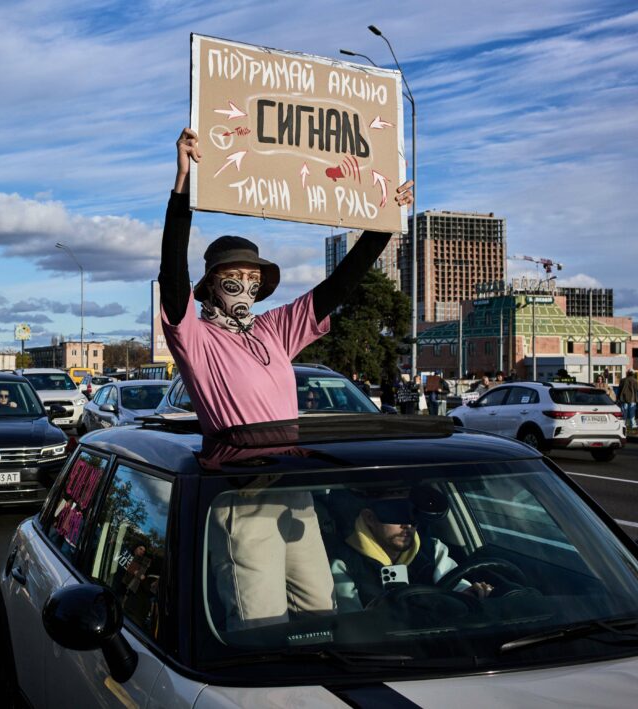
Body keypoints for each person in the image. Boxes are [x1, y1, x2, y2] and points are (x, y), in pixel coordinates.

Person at [161, 127, 413, 630]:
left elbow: (338, 285)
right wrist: (183, 184)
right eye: (233, 276)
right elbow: (170, 273)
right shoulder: (194, 335)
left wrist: (385, 222)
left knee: (322, 611)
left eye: (254, 279)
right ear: (209, 284)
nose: (244, 285)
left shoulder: (276, 330)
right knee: (263, 625)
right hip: (243, 496)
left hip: (296, 497)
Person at [331, 492, 492, 611]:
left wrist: (469, 593)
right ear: (369, 518)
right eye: (395, 512)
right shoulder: (343, 564)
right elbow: (353, 623)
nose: (407, 524)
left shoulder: (433, 550)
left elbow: (456, 585)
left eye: (413, 513)